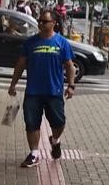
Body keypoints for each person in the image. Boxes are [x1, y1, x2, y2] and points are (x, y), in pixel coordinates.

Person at [7, 9, 76, 168]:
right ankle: (34, 154)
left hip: (54, 92)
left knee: (59, 123)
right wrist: (13, 84)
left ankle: (55, 140)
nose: (41, 23)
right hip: (33, 92)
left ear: (54, 23)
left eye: (45, 21)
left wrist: (71, 85)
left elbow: (69, 66)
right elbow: (20, 64)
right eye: (40, 21)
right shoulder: (30, 43)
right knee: (31, 124)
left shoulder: (62, 43)